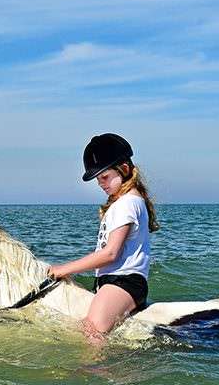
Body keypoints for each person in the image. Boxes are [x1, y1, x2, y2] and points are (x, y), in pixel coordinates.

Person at [47, 133, 160, 346]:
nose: (101, 184)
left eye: (104, 177)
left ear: (124, 169)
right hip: (115, 281)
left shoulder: (126, 203)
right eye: (98, 180)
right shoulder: (129, 201)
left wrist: (64, 269)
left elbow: (111, 253)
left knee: (91, 329)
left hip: (123, 281)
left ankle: (96, 371)